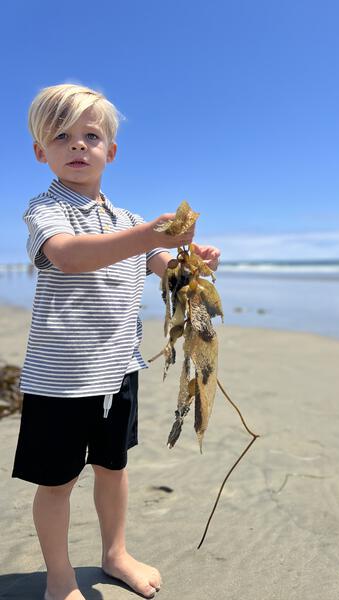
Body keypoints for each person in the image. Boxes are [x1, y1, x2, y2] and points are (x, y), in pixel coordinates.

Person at [12, 83, 220, 600]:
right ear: (42, 152)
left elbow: (162, 268)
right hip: (61, 377)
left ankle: (115, 554)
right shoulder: (46, 209)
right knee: (57, 482)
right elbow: (70, 255)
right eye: (61, 136)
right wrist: (149, 236)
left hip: (118, 372)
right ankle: (59, 581)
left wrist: (190, 264)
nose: (77, 146)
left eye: (91, 135)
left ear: (111, 150)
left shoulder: (126, 220)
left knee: (114, 468)